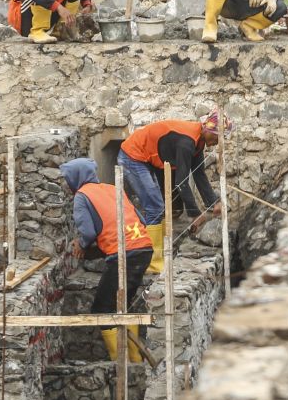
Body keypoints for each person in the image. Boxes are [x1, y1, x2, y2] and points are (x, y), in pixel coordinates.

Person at [61, 158, 153, 362]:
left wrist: (81, 245)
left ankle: (119, 362)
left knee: (102, 309)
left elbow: (88, 232)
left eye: (67, 180)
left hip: (125, 253)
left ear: (76, 178)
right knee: (122, 306)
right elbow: (141, 219)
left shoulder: (82, 196)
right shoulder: (113, 188)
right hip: (143, 248)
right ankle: (135, 360)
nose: (66, 186)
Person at [117, 111, 227, 273]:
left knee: (157, 206)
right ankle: (152, 263)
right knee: (154, 206)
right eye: (217, 137)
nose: (217, 142)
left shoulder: (199, 141)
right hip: (132, 156)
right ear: (208, 130)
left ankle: (158, 255)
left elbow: (198, 173)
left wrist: (213, 203)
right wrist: (195, 213)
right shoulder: (187, 143)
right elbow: (181, 181)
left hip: (148, 159)